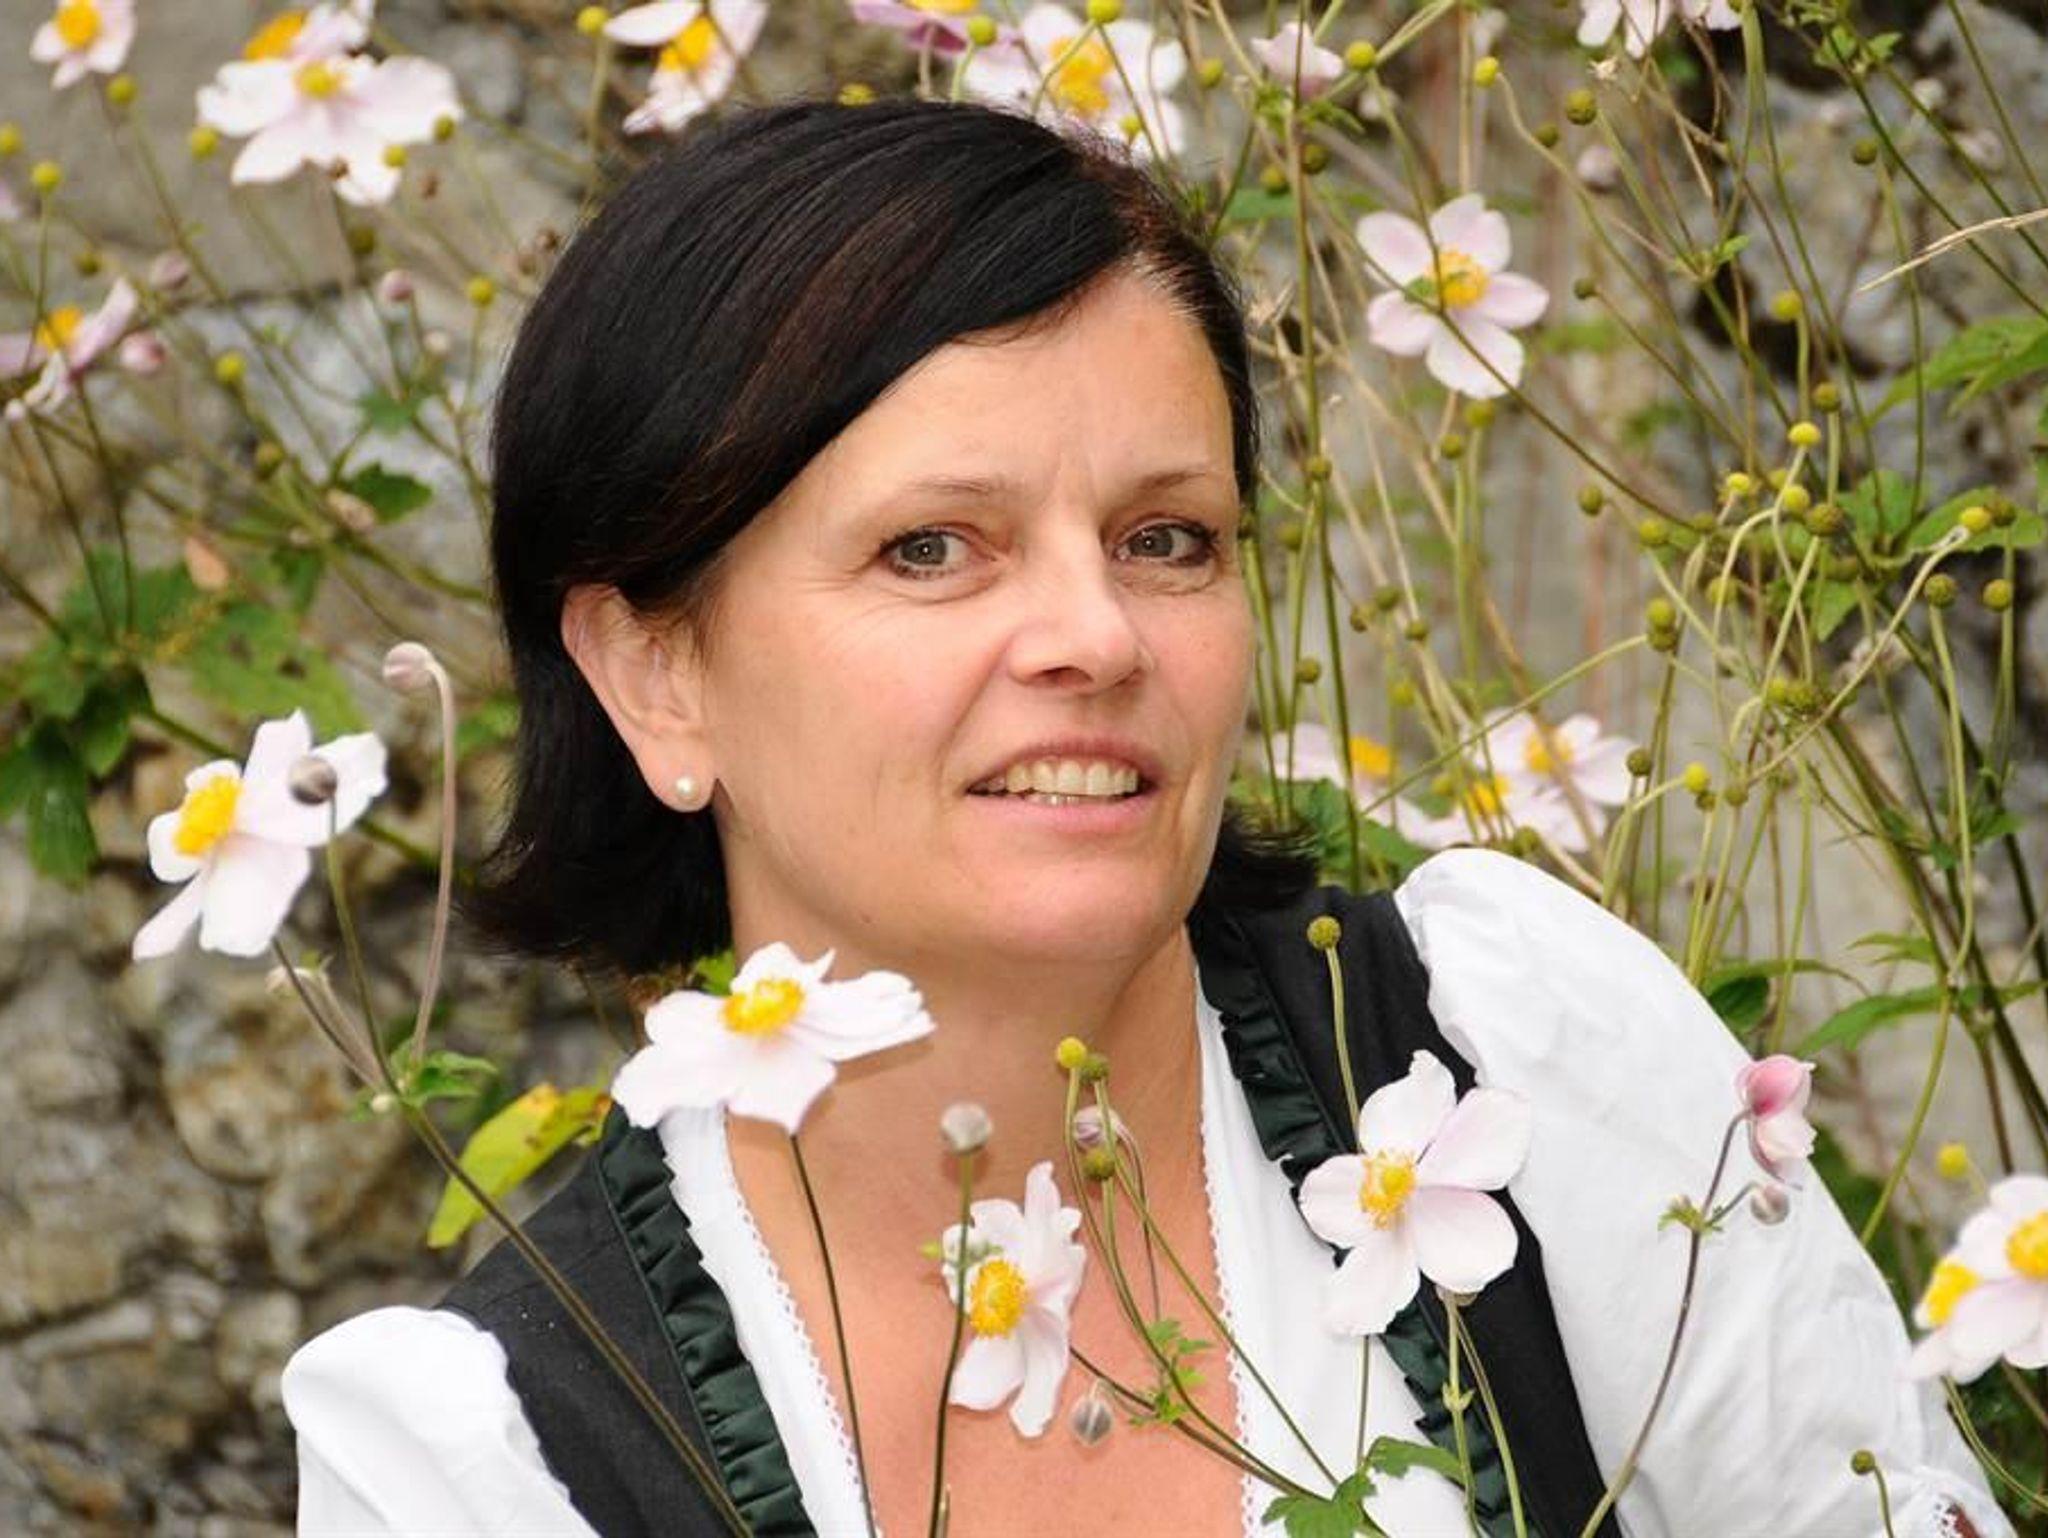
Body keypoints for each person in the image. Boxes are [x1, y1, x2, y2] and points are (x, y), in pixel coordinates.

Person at [280, 97, 2005, 1537]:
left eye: (1165, 538)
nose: (1096, 636)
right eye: (932, 549)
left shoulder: (1505, 1058)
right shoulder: (485, 1459)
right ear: (654, 673)